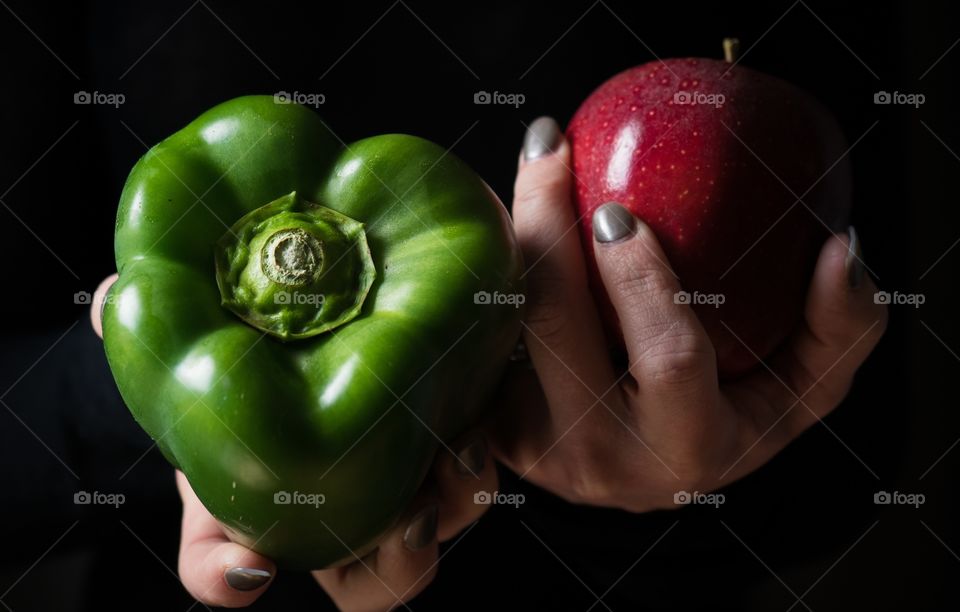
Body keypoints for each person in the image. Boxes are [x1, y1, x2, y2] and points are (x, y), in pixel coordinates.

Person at [89, 116, 887, 611]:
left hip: (641, 587)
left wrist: (690, 477)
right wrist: (168, 425)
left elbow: (862, 459)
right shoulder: (194, 187)